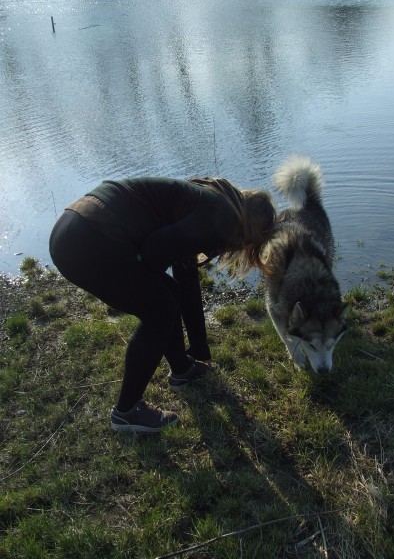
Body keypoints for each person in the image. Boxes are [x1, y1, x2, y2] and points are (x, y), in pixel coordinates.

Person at [49, 175, 276, 434]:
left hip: (74, 228)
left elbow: (185, 277)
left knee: (165, 297)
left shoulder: (210, 203)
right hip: (90, 239)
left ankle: (182, 369)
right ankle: (127, 412)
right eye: (251, 244)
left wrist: (200, 350)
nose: (243, 248)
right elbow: (154, 251)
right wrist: (159, 298)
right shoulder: (223, 217)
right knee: (159, 309)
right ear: (251, 230)